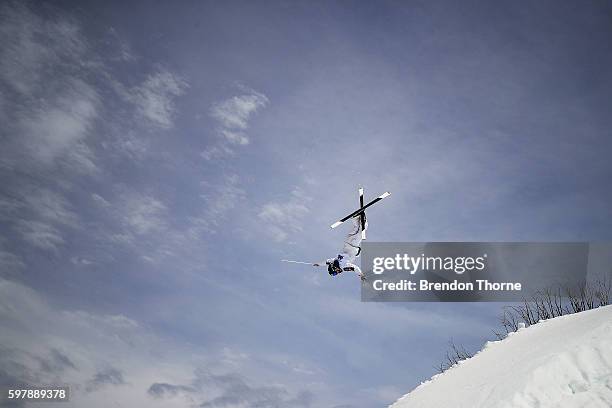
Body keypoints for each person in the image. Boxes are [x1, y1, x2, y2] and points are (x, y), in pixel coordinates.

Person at [314, 215, 367, 280]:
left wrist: (361, 275)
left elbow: (355, 268)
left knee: (362, 230)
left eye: (335, 273)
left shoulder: (343, 266)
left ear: (334, 268)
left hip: (353, 244)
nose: (337, 273)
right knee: (356, 229)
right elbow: (326, 262)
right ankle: (355, 218)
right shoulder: (333, 261)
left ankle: (361, 219)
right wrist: (318, 264)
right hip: (347, 242)